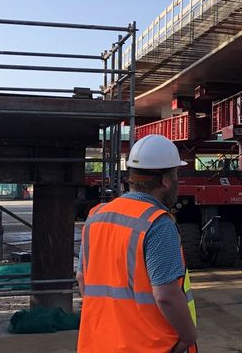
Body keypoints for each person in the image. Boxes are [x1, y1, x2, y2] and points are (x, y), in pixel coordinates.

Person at [77, 135, 198, 353]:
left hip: (99, 342)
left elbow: (82, 278)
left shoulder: (96, 216)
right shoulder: (157, 223)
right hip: (147, 345)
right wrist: (189, 335)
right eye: (176, 174)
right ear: (166, 180)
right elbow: (166, 295)